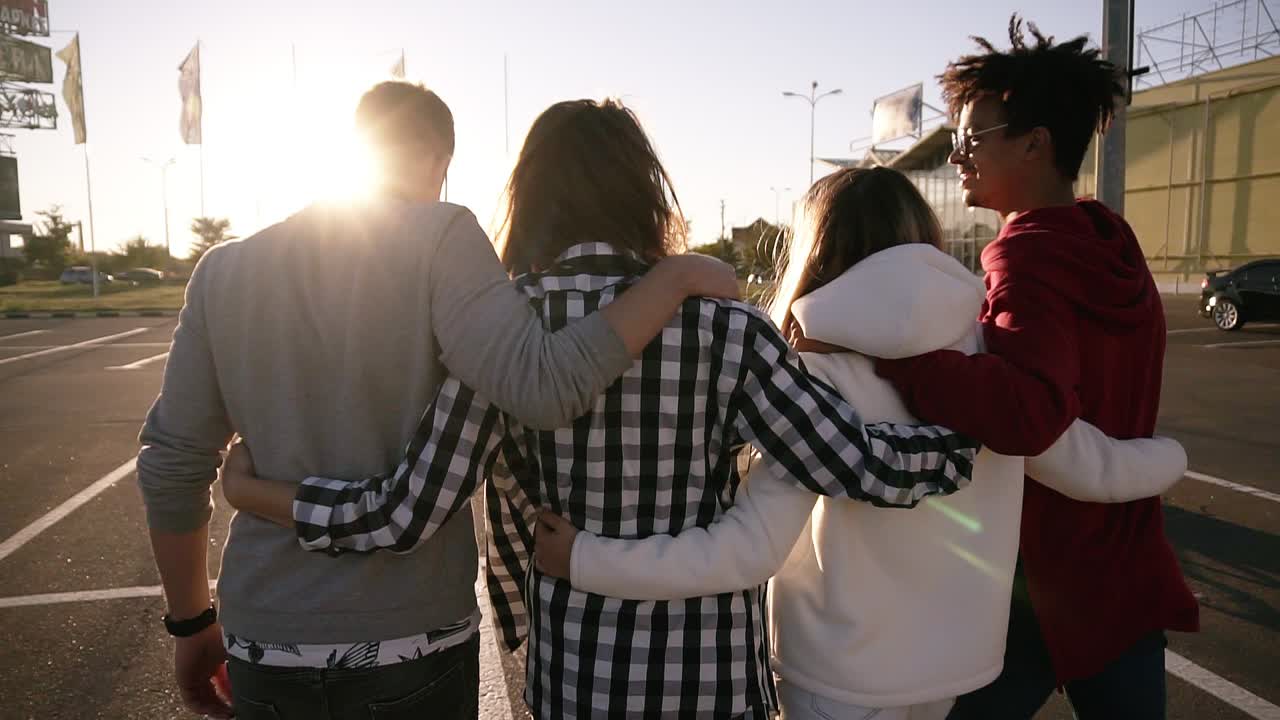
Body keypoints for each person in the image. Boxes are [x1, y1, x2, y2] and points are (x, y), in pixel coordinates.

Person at [219, 98, 984, 719]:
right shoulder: (725, 326)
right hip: (710, 679)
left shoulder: (505, 335)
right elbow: (860, 463)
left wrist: (260, 496)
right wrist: (965, 436)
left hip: (579, 675)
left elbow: (405, 513)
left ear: (530, 197)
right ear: (645, 192)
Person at [136, 82, 743, 720]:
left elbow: (173, 460)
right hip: (408, 637)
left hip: (266, 633)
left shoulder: (223, 271)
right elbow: (543, 387)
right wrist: (674, 277)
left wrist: (189, 623)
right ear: (440, 163)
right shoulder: (441, 235)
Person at [529, 167, 1188, 720]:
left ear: (818, 255)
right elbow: (1085, 465)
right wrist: (1170, 458)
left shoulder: (811, 378)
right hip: (953, 671)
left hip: (838, 681)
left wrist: (583, 559)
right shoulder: (986, 372)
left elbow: (746, 552)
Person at [871, 18, 1200, 719]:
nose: (958, 155)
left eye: (971, 138)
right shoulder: (1112, 242)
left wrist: (900, 358)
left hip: (1039, 584)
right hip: (1128, 571)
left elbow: (1030, 411)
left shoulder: (1027, 255)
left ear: (1034, 143)